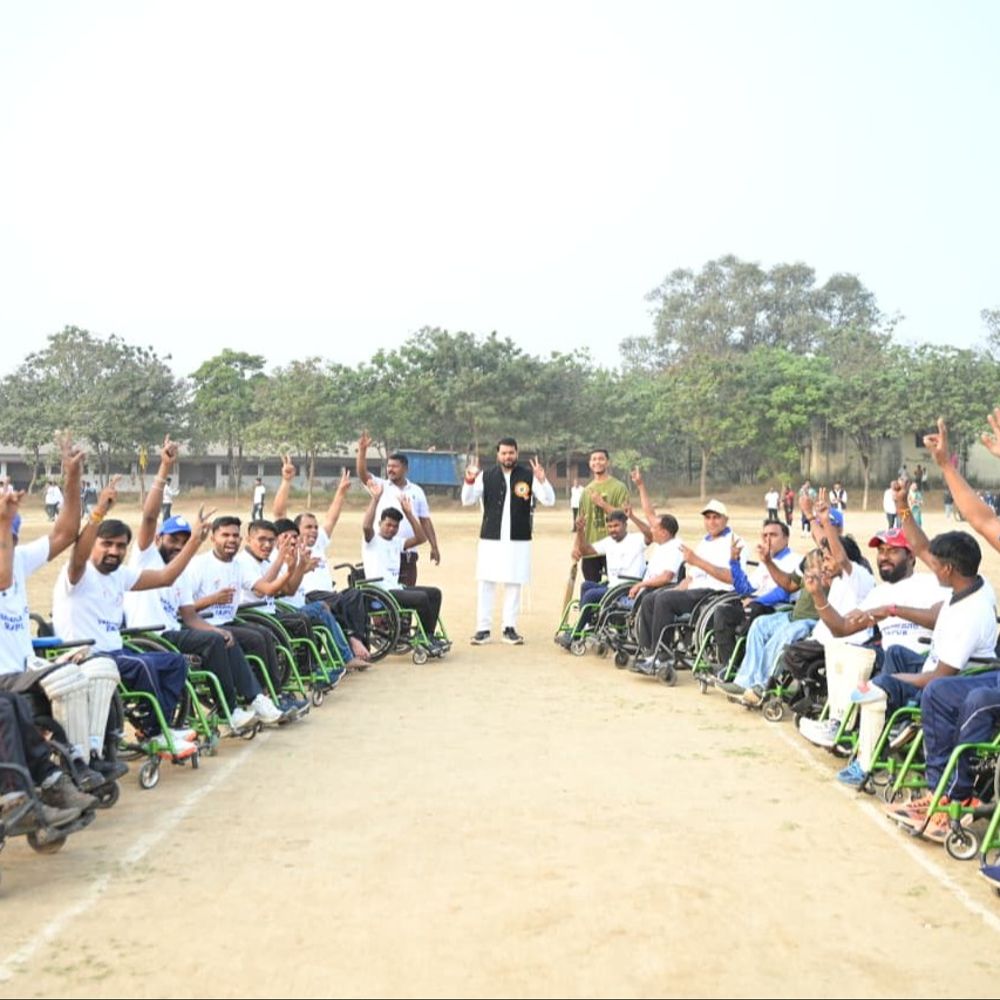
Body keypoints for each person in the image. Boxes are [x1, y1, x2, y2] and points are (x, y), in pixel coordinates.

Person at [122, 436, 283, 728]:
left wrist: (215, 629)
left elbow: (189, 616)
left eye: (184, 541)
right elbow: (148, 516)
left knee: (223, 636)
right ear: (159, 538)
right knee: (213, 640)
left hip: (173, 631)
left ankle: (254, 698)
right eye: (173, 539)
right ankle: (229, 709)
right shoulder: (145, 560)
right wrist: (164, 469)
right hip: (148, 635)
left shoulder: (180, 571)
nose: (177, 545)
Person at [51, 478, 211, 757]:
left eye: (120, 546)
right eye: (107, 544)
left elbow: (166, 576)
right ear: (93, 545)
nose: (114, 551)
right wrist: (98, 511)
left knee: (174, 663)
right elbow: (77, 554)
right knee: (143, 666)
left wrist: (196, 541)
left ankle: (156, 726)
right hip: (87, 654)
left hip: (116, 652)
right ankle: (157, 733)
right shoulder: (77, 574)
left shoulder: (120, 575)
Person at [0, 437, 124, 788]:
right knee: (64, 679)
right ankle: (76, 767)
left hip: (24, 667)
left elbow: (67, 532)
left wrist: (73, 476)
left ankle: (92, 757)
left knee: (101, 668)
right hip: (6, 676)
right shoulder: (9, 564)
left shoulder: (19, 558)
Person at [272, 458, 371, 661]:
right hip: (310, 596)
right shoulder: (291, 546)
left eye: (315, 527)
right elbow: (279, 513)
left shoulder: (318, 544)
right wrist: (286, 481)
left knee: (355, 594)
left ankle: (357, 640)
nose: (314, 530)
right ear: (296, 530)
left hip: (328, 594)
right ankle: (353, 641)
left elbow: (332, 518)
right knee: (344, 600)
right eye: (308, 527)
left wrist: (341, 492)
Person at [461, 438, 555, 645]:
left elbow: (549, 500)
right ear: (498, 454)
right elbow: (466, 500)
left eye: (511, 453)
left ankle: (509, 628)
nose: (507, 457)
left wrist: (542, 480)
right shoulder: (486, 476)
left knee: (514, 583)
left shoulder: (528, 476)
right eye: (503, 453)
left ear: (517, 453)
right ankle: (483, 629)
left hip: (518, 539)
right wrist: (468, 480)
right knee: (486, 582)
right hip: (490, 538)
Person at [632, 499, 741, 675]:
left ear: (725, 520)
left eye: (716, 517)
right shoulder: (705, 542)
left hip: (715, 593)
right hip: (695, 590)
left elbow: (732, 578)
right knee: (651, 598)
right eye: (708, 518)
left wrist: (697, 561)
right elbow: (690, 577)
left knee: (664, 599)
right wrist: (673, 590)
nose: (711, 522)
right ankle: (649, 652)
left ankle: (661, 656)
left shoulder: (734, 543)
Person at [362, 483, 444, 648]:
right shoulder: (371, 541)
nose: (392, 529)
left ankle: (426, 634)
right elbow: (366, 526)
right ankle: (424, 639)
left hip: (396, 588)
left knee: (435, 593)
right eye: (388, 525)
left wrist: (408, 513)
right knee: (421, 598)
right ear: (380, 524)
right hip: (381, 591)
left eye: (395, 526)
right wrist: (376, 499)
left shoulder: (397, 542)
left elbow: (421, 538)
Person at [356, 432, 441, 585]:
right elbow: (363, 474)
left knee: (408, 597)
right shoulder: (380, 486)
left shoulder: (416, 491)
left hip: (407, 554)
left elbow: (425, 521)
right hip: (383, 552)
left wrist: (434, 546)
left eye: (395, 466)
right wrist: (362, 451)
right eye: (388, 466)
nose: (390, 469)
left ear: (405, 468)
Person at [576, 450, 630, 583]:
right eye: (593, 459)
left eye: (601, 459)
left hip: (614, 547)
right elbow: (581, 524)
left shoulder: (619, 488)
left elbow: (624, 516)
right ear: (589, 463)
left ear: (608, 462)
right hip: (591, 549)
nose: (597, 462)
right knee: (591, 586)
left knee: (613, 586)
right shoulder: (586, 491)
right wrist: (576, 546)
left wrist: (602, 504)